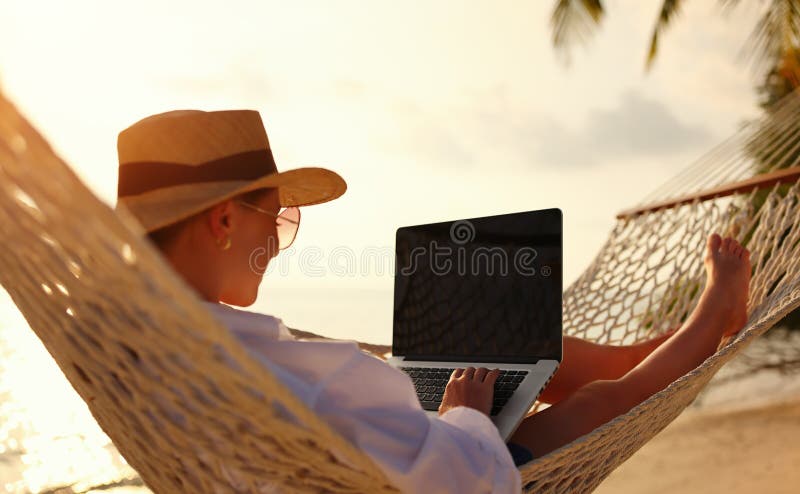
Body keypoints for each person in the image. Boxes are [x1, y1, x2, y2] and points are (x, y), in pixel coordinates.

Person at [115, 109, 751, 493]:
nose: (280, 242)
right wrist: (465, 414)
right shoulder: (275, 370)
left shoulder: (149, 354)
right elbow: (456, 479)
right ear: (224, 222)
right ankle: (708, 318)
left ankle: (647, 350)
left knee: (525, 353)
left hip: (382, 449)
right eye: (277, 219)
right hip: (460, 464)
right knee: (595, 401)